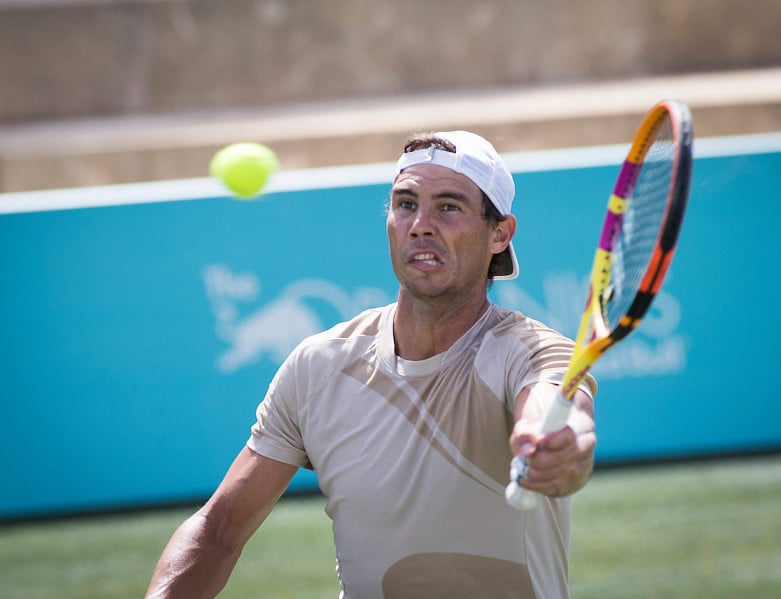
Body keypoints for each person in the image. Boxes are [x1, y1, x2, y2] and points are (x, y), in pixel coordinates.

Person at [145, 130, 597, 599]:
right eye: (405, 204)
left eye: (448, 206)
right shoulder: (317, 365)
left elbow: (559, 417)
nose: (421, 224)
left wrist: (560, 446)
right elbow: (219, 530)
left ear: (499, 233)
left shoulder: (533, 350)